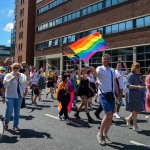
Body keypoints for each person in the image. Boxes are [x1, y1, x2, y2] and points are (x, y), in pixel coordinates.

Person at [96, 54, 119, 146]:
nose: (105, 60)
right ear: (102, 60)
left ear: (109, 60)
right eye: (104, 58)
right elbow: (95, 74)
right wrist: (93, 70)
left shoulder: (112, 70)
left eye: (107, 58)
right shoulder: (99, 68)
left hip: (111, 94)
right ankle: (100, 134)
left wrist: (118, 94)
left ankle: (105, 135)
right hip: (103, 94)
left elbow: (114, 82)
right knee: (108, 114)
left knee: (111, 116)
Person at [3, 63, 30, 131]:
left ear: (19, 68)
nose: (15, 69)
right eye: (14, 68)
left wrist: (27, 75)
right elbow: (5, 84)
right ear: (11, 68)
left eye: (17, 68)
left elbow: (27, 82)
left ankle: (15, 126)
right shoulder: (8, 75)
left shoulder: (22, 75)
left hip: (19, 96)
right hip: (10, 96)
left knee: (17, 112)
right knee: (9, 110)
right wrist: (14, 78)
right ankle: (6, 123)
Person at [125, 63, 145, 132]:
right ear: (133, 68)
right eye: (137, 67)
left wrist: (142, 83)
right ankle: (135, 126)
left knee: (139, 109)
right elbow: (128, 85)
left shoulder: (137, 75)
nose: (139, 68)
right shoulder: (130, 75)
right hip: (132, 95)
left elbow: (141, 83)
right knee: (135, 110)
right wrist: (138, 87)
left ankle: (128, 118)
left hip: (137, 94)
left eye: (139, 67)